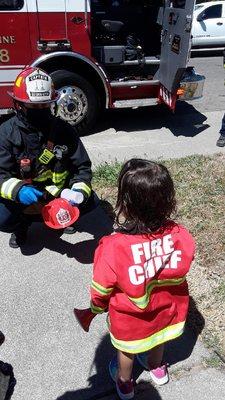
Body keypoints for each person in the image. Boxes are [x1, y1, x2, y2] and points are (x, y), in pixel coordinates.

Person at [82, 159, 195, 400]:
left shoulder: (113, 247)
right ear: (168, 200)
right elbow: (186, 261)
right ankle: (157, 368)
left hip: (130, 318)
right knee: (159, 337)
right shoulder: (180, 235)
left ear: (126, 203)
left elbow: (101, 288)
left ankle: (124, 383)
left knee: (126, 349)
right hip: (167, 310)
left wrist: (96, 307)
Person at [0, 67, 93, 249]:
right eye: (34, 106)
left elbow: (82, 167)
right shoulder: (5, 134)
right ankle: (21, 226)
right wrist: (18, 190)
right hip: (25, 197)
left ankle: (63, 215)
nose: (40, 110)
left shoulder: (64, 131)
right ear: (19, 105)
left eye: (45, 105)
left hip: (58, 194)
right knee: (2, 217)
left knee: (90, 201)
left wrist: (78, 192)